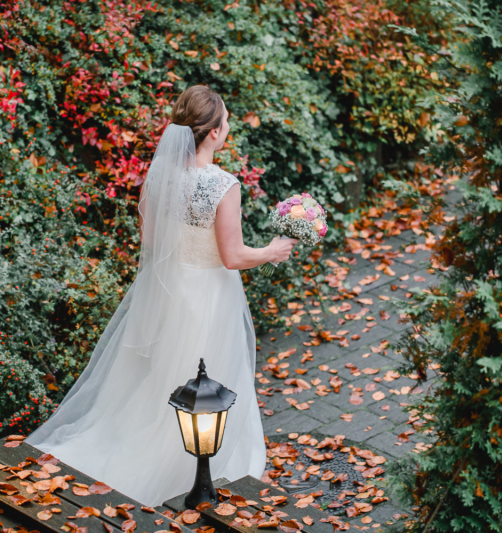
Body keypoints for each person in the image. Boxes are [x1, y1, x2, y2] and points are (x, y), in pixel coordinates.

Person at [24, 85, 297, 507]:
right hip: (208, 294)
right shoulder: (224, 185)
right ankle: (192, 465)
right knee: (205, 376)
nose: (227, 128)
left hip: (169, 290)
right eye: (224, 122)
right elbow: (232, 256)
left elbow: (150, 240)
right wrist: (273, 251)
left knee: (162, 379)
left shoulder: (159, 178)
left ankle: (151, 445)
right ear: (212, 133)